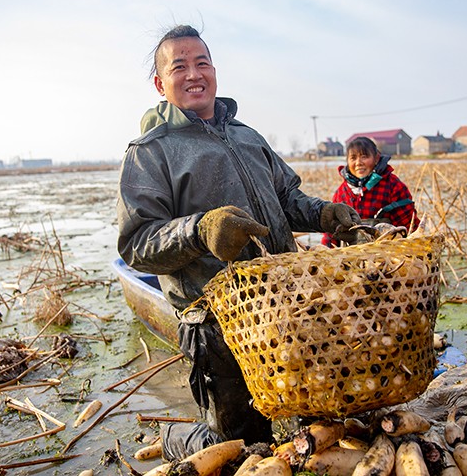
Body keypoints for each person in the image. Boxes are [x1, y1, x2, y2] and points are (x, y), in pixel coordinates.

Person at [116, 25, 360, 459]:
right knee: (240, 446)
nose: (194, 74)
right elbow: (136, 242)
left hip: (285, 306)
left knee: (314, 423)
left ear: (214, 72)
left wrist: (325, 213)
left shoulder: (248, 136)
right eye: (180, 67)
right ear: (160, 83)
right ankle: (177, 440)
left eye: (202, 63)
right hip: (215, 322)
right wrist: (200, 229)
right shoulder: (151, 151)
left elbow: (286, 198)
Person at [321, 136, 420, 247]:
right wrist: (325, 251)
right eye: (353, 158)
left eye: (364, 156)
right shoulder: (341, 193)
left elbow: (409, 227)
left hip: (387, 256)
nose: (358, 163)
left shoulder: (393, 186)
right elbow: (331, 233)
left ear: (376, 158)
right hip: (351, 257)